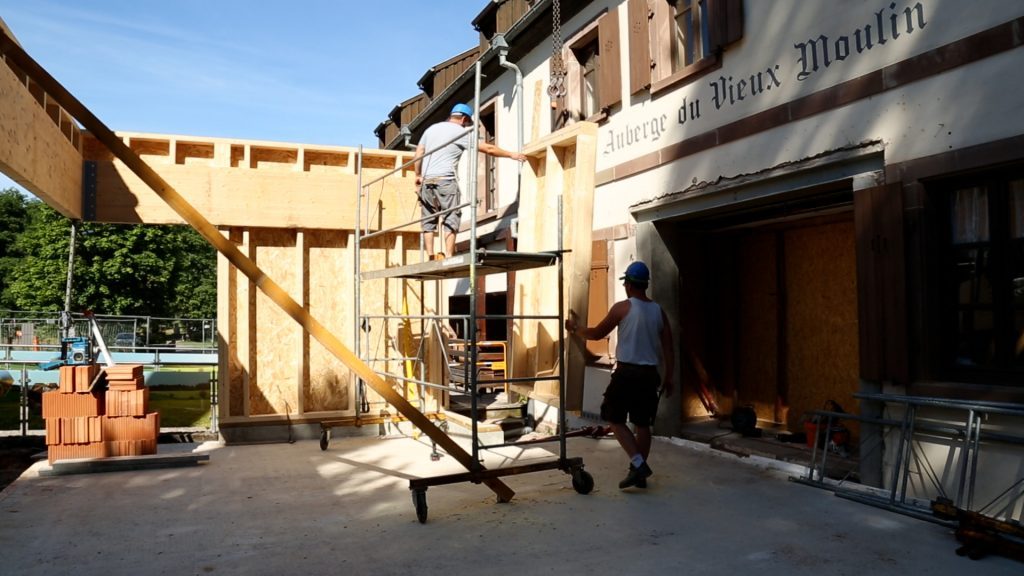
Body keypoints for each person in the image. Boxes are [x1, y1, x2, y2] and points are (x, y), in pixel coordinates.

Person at [564, 260, 675, 489]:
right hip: (649, 375)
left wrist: (574, 329)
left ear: (629, 285)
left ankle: (637, 463)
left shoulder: (623, 308)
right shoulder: (658, 311)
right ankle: (638, 473)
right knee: (643, 424)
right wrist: (669, 377)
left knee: (613, 418)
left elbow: (595, 334)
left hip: (627, 375)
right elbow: (668, 348)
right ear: (645, 284)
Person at [414, 103, 526, 260]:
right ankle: (448, 256)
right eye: (467, 123)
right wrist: (511, 155)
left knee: (428, 220)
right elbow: (489, 149)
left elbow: (419, 153)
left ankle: (431, 255)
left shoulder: (431, 129)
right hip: (445, 180)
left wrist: (418, 175)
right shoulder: (460, 132)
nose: (467, 126)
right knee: (451, 216)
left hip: (427, 182)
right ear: (464, 119)